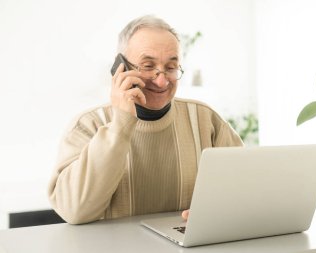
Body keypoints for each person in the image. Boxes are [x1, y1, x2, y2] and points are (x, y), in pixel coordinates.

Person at [48, 15, 243, 225]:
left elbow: (246, 187)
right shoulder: (88, 125)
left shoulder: (206, 119)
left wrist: (218, 211)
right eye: (148, 66)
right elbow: (74, 211)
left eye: (170, 68)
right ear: (120, 68)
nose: (161, 81)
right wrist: (121, 123)